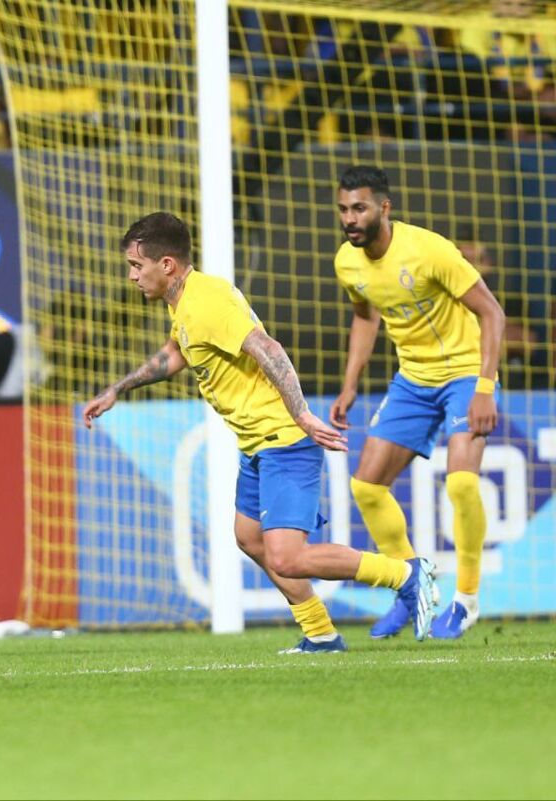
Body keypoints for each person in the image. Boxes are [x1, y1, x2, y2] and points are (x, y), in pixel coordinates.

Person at [83, 212, 440, 651]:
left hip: (284, 439)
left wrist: (304, 414)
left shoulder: (208, 302)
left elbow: (268, 349)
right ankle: (320, 633)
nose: (132, 276)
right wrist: (118, 388)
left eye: (138, 266)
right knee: (249, 538)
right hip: (256, 444)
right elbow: (174, 354)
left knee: (288, 557)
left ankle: (405, 575)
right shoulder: (186, 302)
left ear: (168, 265)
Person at [330, 166, 507, 640]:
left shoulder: (428, 250)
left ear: (384, 208)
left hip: (465, 372)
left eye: (360, 207)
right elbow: (365, 318)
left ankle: (466, 601)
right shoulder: (347, 262)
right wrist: (350, 385)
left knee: (463, 484)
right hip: (413, 379)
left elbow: (492, 312)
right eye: (344, 208)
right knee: (366, 487)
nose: (350, 217)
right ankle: (412, 589)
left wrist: (485, 388)